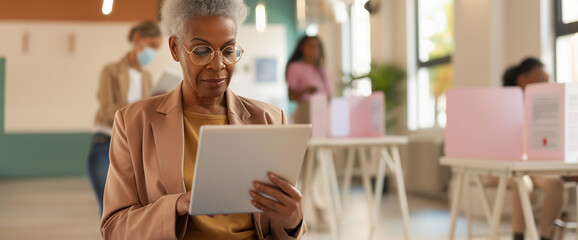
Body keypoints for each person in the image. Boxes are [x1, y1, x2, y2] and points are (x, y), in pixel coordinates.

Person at [100, 0, 306, 239]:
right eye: (201, 51)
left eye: (228, 51)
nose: (218, 65)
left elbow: (280, 227)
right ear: (175, 49)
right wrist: (176, 206)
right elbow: (113, 228)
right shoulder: (133, 123)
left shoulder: (269, 120)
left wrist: (292, 220)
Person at [87, 20, 162, 214]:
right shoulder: (111, 71)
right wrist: (139, 107)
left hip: (134, 148)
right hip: (105, 143)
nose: (153, 52)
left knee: (134, 210)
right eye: (152, 45)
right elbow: (105, 110)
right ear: (138, 39)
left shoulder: (147, 77)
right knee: (108, 209)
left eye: (157, 48)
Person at [503, 57, 564, 240]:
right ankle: (519, 235)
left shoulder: (545, 107)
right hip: (507, 164)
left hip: (534, 164)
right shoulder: (504, 105)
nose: (546, 83)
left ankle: (546, 235)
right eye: (541, 78)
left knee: (556, 184)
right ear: (522, 80)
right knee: (523, 184)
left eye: (547, 78)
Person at [285, 35, 332, 124]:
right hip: (305, 111)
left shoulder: (322, 70)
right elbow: (291, 96)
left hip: (323, 112)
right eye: (310, 46)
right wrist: (306, 90)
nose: (313, 50)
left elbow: (329, 95)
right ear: (302, 48)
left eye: (316, 47)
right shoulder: (295, 67)